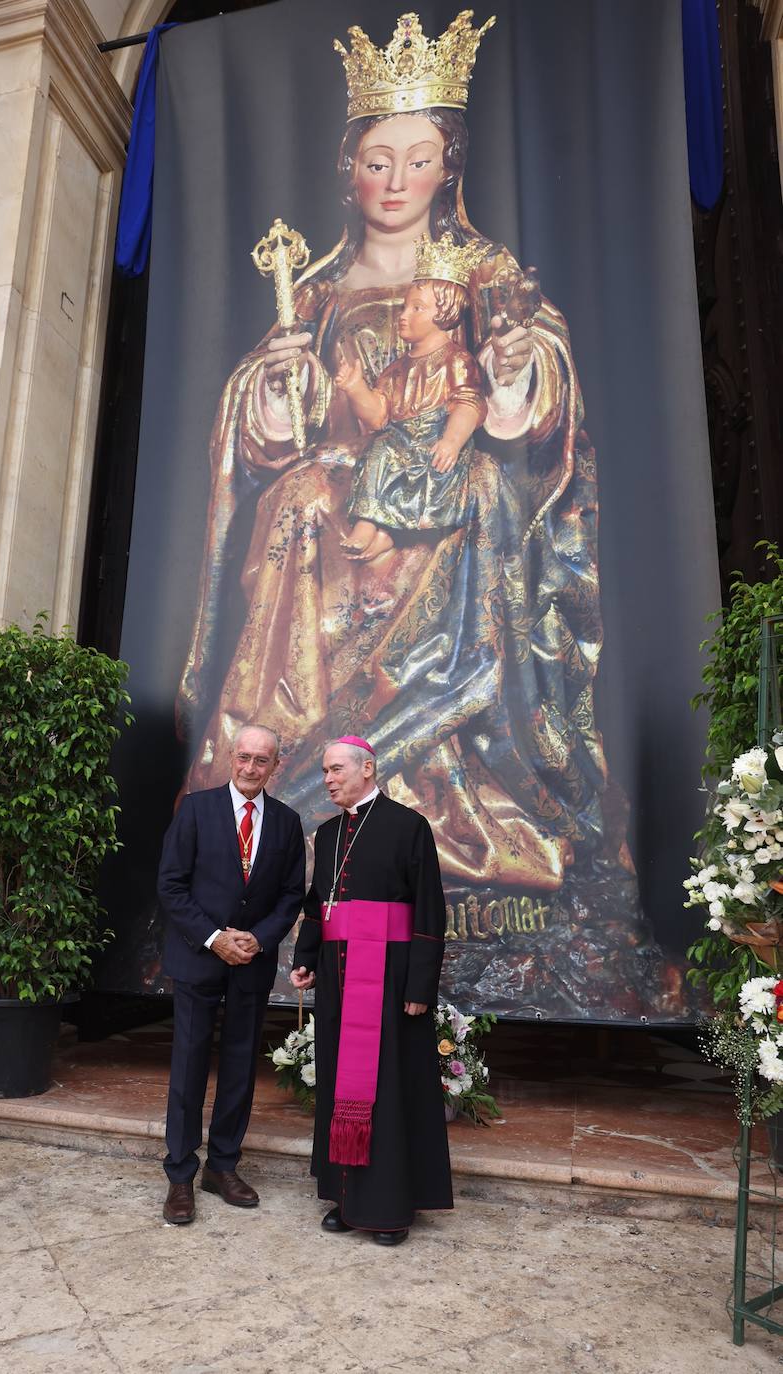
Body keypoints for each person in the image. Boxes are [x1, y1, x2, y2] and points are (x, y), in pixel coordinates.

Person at [176, 10, 676, 1020]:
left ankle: (456, 787)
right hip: (338, 494)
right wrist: (278, 385)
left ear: (449, 168)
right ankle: (283, 774)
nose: (396, 179)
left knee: (465, 504)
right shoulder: (311, 291)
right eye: (376, 160)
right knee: (297, 500)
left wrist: (510, 369)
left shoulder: (484, 275)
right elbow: (267, 429)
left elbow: (530, 390)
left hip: (444, 492)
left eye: (418, 158)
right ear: (346, 169)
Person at [290, 736, 452, 1245]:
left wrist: (420, 983)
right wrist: (305, 958)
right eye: (323, 771)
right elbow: (321, 904)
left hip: (390, 977)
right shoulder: (328, 832)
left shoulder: (409, 826)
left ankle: (390, 1207)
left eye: (336, 769)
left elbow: (429, 910)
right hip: (339, 980)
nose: (328, 779)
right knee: (342, 1084)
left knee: (388, 1085)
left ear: (367, 768)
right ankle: (347, 1197)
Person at [156, 725, 305, 1224]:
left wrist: (258, 939)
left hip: (252, 964)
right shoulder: (195, 810)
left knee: (240, 1069)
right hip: (200, 959)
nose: (250, 767)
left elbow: (290, 896)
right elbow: (172, 886)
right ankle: (180, 1175)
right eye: (243, 757)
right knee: (189, 1069)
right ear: (229, 756)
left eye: (262, 760)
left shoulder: (286, 822)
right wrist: (215, 938)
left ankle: (222, 1167)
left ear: (274, 766)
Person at [338, 234, 488, 563]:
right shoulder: (394, 370)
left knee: (435, 472)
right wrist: (355, 388)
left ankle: (391, 536)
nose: (403, 315)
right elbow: (378, 416)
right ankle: (367, 524)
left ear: (445, 313)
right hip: (399, 438)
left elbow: (468, 405)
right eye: (405, 306)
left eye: (417, 308)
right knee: (378, 451)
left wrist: (451, 440)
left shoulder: (457, 361)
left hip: (436, 438)